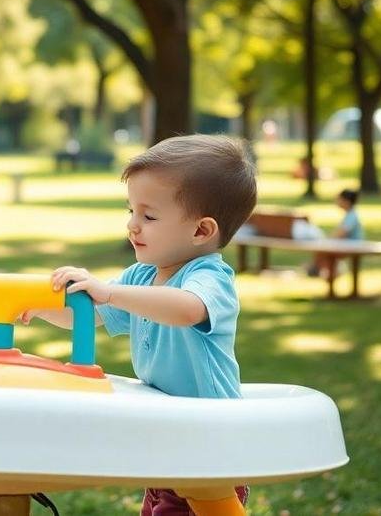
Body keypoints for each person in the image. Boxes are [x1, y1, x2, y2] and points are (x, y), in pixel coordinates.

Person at [21, 134, 257, 516]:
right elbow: (89, 314)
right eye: (130, 211)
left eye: (148, 216)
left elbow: (186, 309)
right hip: (167, 442)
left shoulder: (210, 277)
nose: (133, 225)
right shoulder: (142, 276)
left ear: (201, 231)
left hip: (210, 449)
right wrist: (39, 305)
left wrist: (109, 293)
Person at [308, 189, 362, 278]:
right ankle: (322, 270)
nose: (337, 202)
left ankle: (322, 270)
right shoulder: (350, 215)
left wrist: (327, 240)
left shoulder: (351, 216)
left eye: (339, 199)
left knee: (325, 251)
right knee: (323, 251)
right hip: (349, 244)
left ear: (346, 201)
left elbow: (341, 233)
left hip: (353, 246)